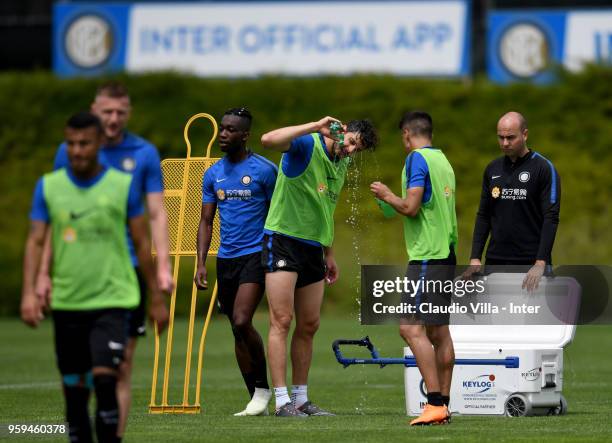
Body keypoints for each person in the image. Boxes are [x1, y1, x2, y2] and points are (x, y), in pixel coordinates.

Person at [21, 112, 169, 443]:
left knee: (106, 379)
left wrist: (157, 297)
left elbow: (143, 242)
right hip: (69, 301)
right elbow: (35, 241)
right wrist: (30, 292)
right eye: (71, 144)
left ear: (99, 143)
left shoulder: (121, 186)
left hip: (113, 299)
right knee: (74, 390)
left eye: (84, 143)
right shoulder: (48, 187)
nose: (77, 151)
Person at [261, 116, 378, 417]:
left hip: (315, 247)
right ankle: (281, 400)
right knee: (282, 320)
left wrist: (330, 254)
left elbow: (326, 207)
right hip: (284, 239)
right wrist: (313, 125)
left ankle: (301, 399)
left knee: (310, 324)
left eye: (358, 149)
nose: (352, 151)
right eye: (351, 142)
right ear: (340, 132)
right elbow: (267, 140)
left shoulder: (343, 162)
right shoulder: (306, 145)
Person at [370, 111, 456, 426]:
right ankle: (444, 406)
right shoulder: (443, 161)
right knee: (438, 331)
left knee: (410, 327)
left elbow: (411, 207)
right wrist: (392, 201)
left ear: (407, 134)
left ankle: (434, 403)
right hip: (446, 254)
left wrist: (387, 195)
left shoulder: (416, 160)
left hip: (427, 258)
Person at [194, 108, 277, 416]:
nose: (223, 134)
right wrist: (202, 262)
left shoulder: (265, 171)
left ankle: (264, 390)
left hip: (256, 255)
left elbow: (279, 215)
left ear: (245, 135)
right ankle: (255, 398)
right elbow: (206, 221)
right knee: (236, 329)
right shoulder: (212, 173)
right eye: (221, 129)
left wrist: (275, 251)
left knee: (243, 319)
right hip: (225, 259)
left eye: (230, 130)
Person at [463, 112, 561, 291]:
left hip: (530, 264)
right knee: (497, 318)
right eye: (500, 137)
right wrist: (475, 257)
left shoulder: (544, 168)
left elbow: (551, 217)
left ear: (525, 134)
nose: (505, 143)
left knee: (530, 318)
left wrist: (540, 262)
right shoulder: (492, 169)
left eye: (510, 137)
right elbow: (484, 215)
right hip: (495, 262)